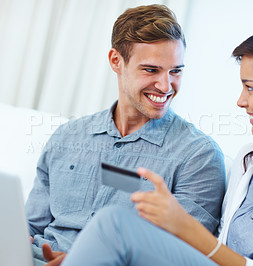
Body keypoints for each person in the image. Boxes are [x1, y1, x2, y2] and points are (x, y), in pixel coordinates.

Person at [41, 26, 253, 266]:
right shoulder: (249, 161)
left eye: (250, 88)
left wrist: (183, 225)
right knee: (112, 230)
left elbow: (208, 247)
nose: (241, 101)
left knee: (114, 223)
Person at [25, 4, 226, 263]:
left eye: (176, 71)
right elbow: (31, 226)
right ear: (116, 61)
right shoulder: (68, 137)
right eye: (151, 70)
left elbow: (175, 257)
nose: (166, 86)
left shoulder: (198, 156)